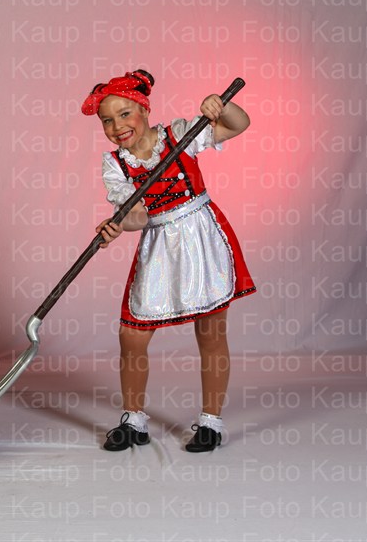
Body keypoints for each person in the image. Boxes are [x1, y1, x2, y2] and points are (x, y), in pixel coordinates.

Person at [83, 70, 255, 452]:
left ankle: (210, 423)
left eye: (124, 114)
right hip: (159, 242)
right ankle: (134, 421)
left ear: (144, 110)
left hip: (201, 236)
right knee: (131, 334)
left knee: (210, 332)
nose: (117, 127)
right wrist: (118, 225)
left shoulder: (180, 134)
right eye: (107, 121)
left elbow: (238, 124)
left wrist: (220, 106)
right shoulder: (115, 164)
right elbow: (137, 215)